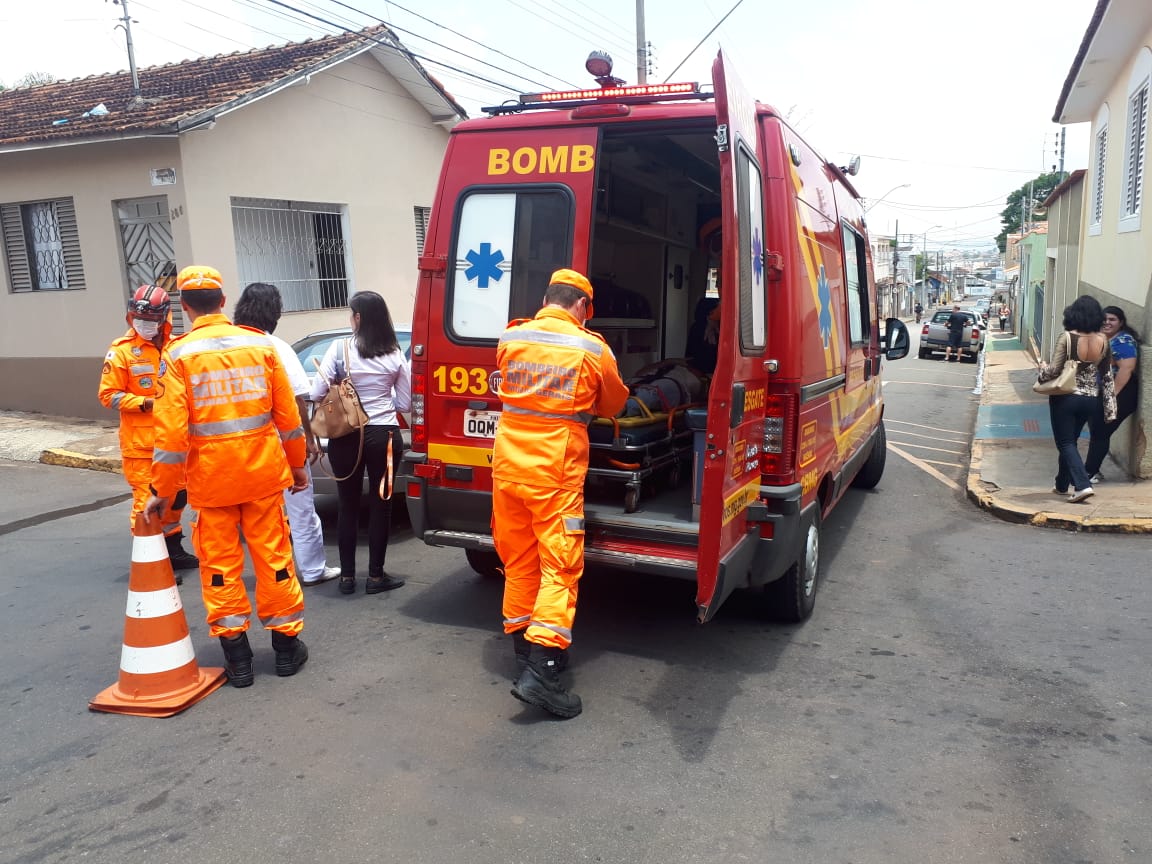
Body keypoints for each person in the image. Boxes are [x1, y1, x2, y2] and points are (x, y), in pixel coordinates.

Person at [145, 265, 310, 688]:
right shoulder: (261, 346)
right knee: (274, 560)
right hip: (263, 476)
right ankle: (286, 649)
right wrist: (297, 466)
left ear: (184, 306)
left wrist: (162, 490)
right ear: (222, 301)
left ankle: (238, 660)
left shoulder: (177, 356)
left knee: (219, 568)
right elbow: (288, 419)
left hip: (211, 482)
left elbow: (170, 435)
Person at [492, 268, 630, 719]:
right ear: (583, 306)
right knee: (560, 566)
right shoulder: (591, 348)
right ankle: (544, 669)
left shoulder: (512, 337)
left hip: (508, 469)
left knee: (519, 561)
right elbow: (613, 403)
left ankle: (524, 652)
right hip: (554, 472)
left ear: (546, 298)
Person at [232, 282, 340, 587]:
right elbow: (297, 399)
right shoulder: (274, 347)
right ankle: (312, 569)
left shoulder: (224, 347)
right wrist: (309, 439)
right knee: (300, 507)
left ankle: (267, 570)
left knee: (254, 513)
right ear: (273, 312)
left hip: (236, 446)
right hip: (278, 444)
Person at [309, 291, 410, 596]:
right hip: (385, 436)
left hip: (346, 435)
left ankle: (347, 577)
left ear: (358, 317)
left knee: (347, 503)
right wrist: (381, 400)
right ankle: (376, 576)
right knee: (382, 504)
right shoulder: (394, 354)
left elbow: (316, 392)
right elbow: (404, 403)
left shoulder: (340, 349)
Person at [98, 284, 198, 583]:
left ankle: (173, 551)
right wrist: (146, 403)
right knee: (147, 504)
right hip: (141, 447)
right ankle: (151, 566)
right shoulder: (122, 352)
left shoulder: (176, 347)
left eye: (150, 319)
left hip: (175, 443)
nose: (143, 323)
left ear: (164, 317)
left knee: (176, 499)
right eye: (138, 318)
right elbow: (108, 395)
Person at [1037, 295, 1116, 503]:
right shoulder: (1104, 341)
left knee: (1064, 442)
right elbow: (1107, 376)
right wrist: (1110, 407)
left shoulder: (1067, 338)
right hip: (1090, 400)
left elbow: (1054, 370)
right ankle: (1062, 484)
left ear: (1074, 314)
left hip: (1065, 397)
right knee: (1070, 441)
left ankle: (1082, 485)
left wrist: (1041, 370)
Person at [1085, 305, 1140, 483]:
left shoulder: (1123, 341)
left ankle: (1089, 473)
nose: (1107, 322)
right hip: (1102, 391)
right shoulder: (1102, 338)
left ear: (1121, 322)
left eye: (1112, 319)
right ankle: (1093, 471)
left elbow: (1126, 369)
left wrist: (1111, 396)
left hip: (1121, 392)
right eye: (1104, 319)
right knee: (1097, 430)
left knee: (1101, 431)